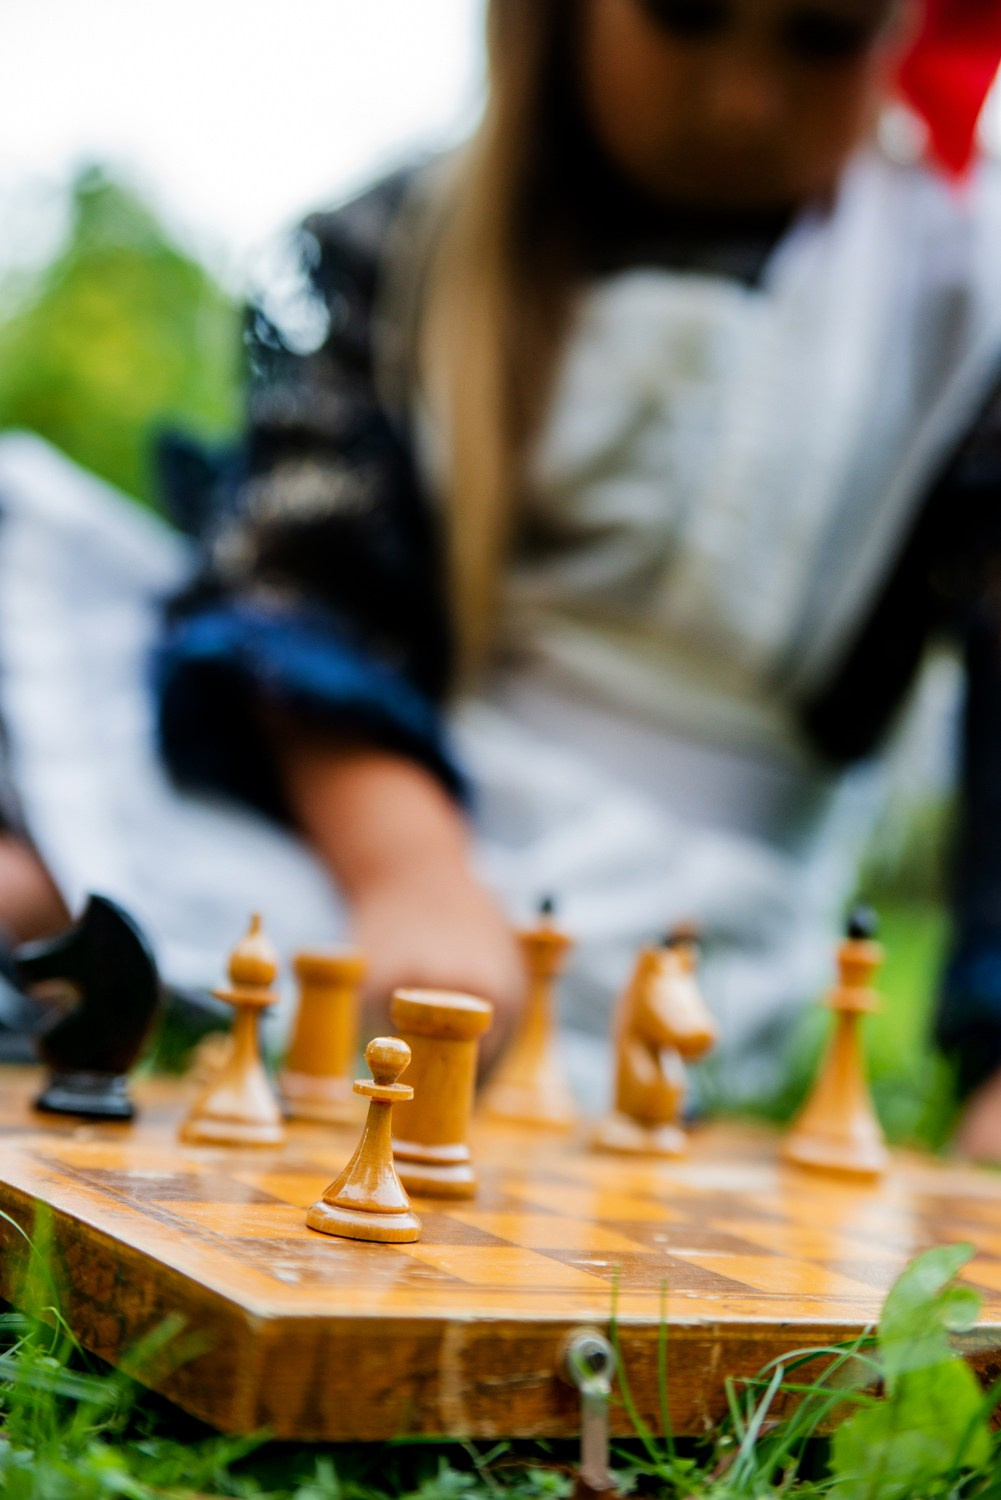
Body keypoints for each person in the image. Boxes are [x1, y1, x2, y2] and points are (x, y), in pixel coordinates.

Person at [8, 2, 1001, 1122]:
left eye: (823, 38)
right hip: (369, 828)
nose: (741, 99)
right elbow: (304, 595)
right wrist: (408, 877)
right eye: (689, 17)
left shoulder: (966, 303)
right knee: (43, 901)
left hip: (691, 938)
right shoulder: (404, 236)